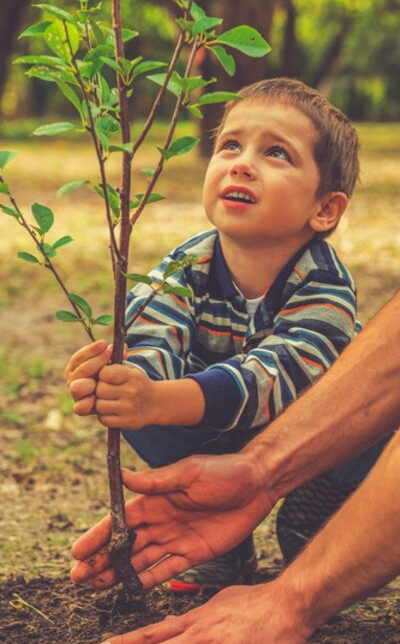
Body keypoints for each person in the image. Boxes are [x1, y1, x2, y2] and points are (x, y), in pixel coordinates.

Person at [66, 77, 372, 593]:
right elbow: (151, 333)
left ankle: (322, 509)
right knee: (140, 406)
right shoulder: (187, 264)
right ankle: (221, 534)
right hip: (216, 428)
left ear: (324, 209)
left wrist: (163, 398)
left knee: (375, 418)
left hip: (309, 435)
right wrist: (121, 381)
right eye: (230, 145)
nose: (242, 164)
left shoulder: (325, 283)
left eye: (276, 153)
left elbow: (275, 378)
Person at [70, 292, 400, 644]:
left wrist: (293, 599)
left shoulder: (319, 282)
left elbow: (288, 366)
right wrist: (260, 471)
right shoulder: (192, 274)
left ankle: (331, 496)